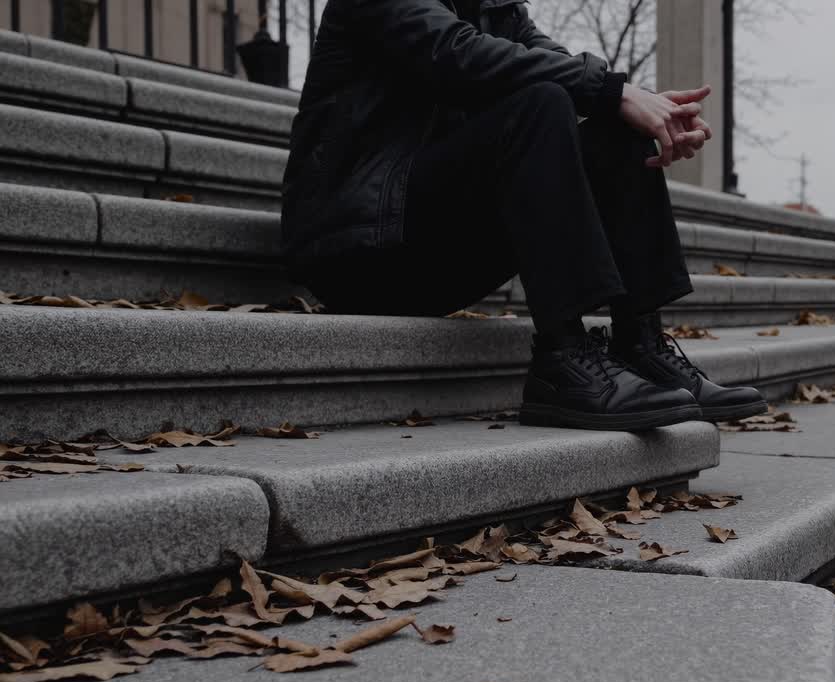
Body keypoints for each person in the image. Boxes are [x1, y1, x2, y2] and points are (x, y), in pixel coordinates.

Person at [281, 0, 767, 432]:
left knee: (612, 122)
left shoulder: (499, 9)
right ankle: (563, 358)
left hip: (434, 244)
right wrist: (614, 92)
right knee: (544, 101)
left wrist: (646, 107)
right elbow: (455, 53)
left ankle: (641, 345)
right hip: (357, 249)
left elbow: (556, 64)